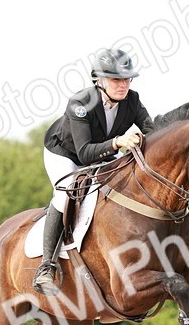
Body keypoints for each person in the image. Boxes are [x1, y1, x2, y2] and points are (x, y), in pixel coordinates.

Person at [34, 47, 156, 294]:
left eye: (127, 79)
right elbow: (84, 154)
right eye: (116, 79)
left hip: (101, 150)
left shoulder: (132, 100)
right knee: (66, 193)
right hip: (66, 153)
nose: (123, 85)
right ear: (99, 80)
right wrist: (118, 142)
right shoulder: (80, 103)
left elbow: (152, 133)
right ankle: (47, 265)